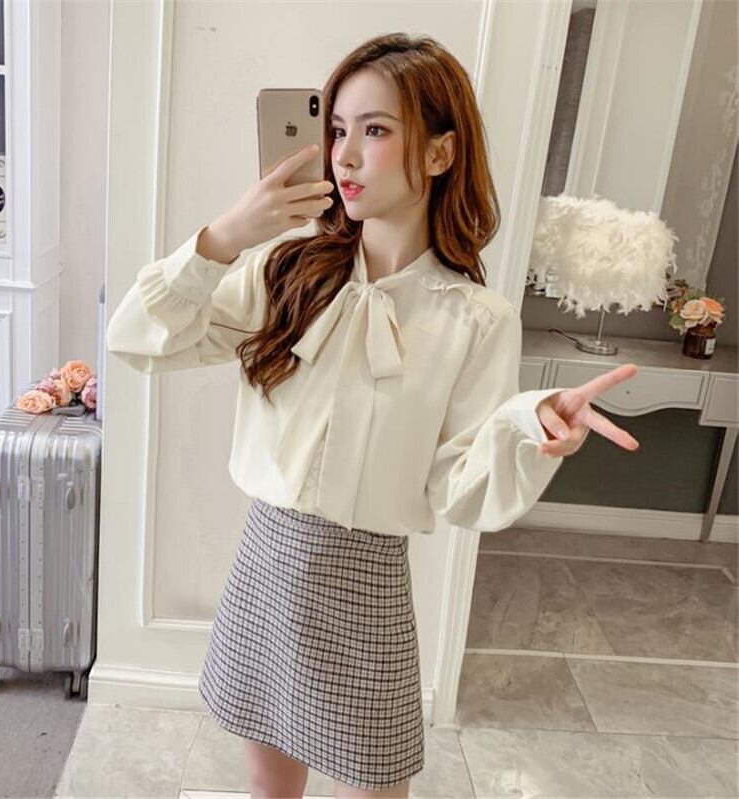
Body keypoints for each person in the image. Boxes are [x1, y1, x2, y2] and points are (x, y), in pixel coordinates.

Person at [107, 32, 640, 799]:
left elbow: (461, 485)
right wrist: (224, 238)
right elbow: (134, 338)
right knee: (269, 788)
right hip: (267, 565)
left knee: (377, 782)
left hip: (367, 582)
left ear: (440, 152)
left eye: (376, 129)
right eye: (337, 130)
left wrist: (530, 426)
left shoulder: (476, 319)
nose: (345, 156)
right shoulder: (283, 272)